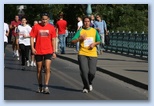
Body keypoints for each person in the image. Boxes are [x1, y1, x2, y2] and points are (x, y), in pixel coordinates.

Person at [71, 16, 101, 93]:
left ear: (90, 22)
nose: (86, 23)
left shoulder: (94, 31)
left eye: (88, 21)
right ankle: (86, 87)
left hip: (92, 53)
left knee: (92, 72)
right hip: (82, 53)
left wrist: (94, 44)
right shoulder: (80, 31)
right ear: (83, 22)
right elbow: (72, 41)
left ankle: (89, 82)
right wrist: (79, 39)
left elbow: (99, 40)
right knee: (84, 71)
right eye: (85, 21)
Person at [30, 12, 56, 94]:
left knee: (47, 68)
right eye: (43, 19)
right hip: (38, 50)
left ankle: (46, 86)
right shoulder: (36, 27)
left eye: (46, 19)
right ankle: (40, 86)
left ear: (48, 19)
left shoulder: (51, 28)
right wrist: (32, 48)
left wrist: (54, 51)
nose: (44, 21)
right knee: (39, 69)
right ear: (41, 19)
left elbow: (53, 39)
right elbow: (32, 37)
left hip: (48, 50)